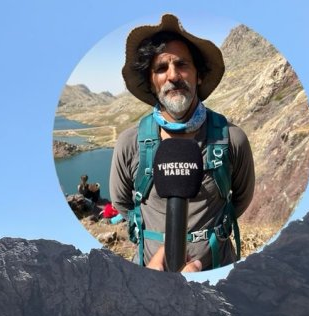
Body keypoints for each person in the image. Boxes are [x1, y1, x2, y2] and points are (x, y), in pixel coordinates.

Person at [109, 14, 255, 272]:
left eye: (182, 64)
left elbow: (240, 199)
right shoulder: (130, 143)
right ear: (152, 84)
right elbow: (122, 203)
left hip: (217, 270)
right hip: (150, 273)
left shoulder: (232, 139)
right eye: (161, 69)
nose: (173, 75)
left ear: (198, 75)